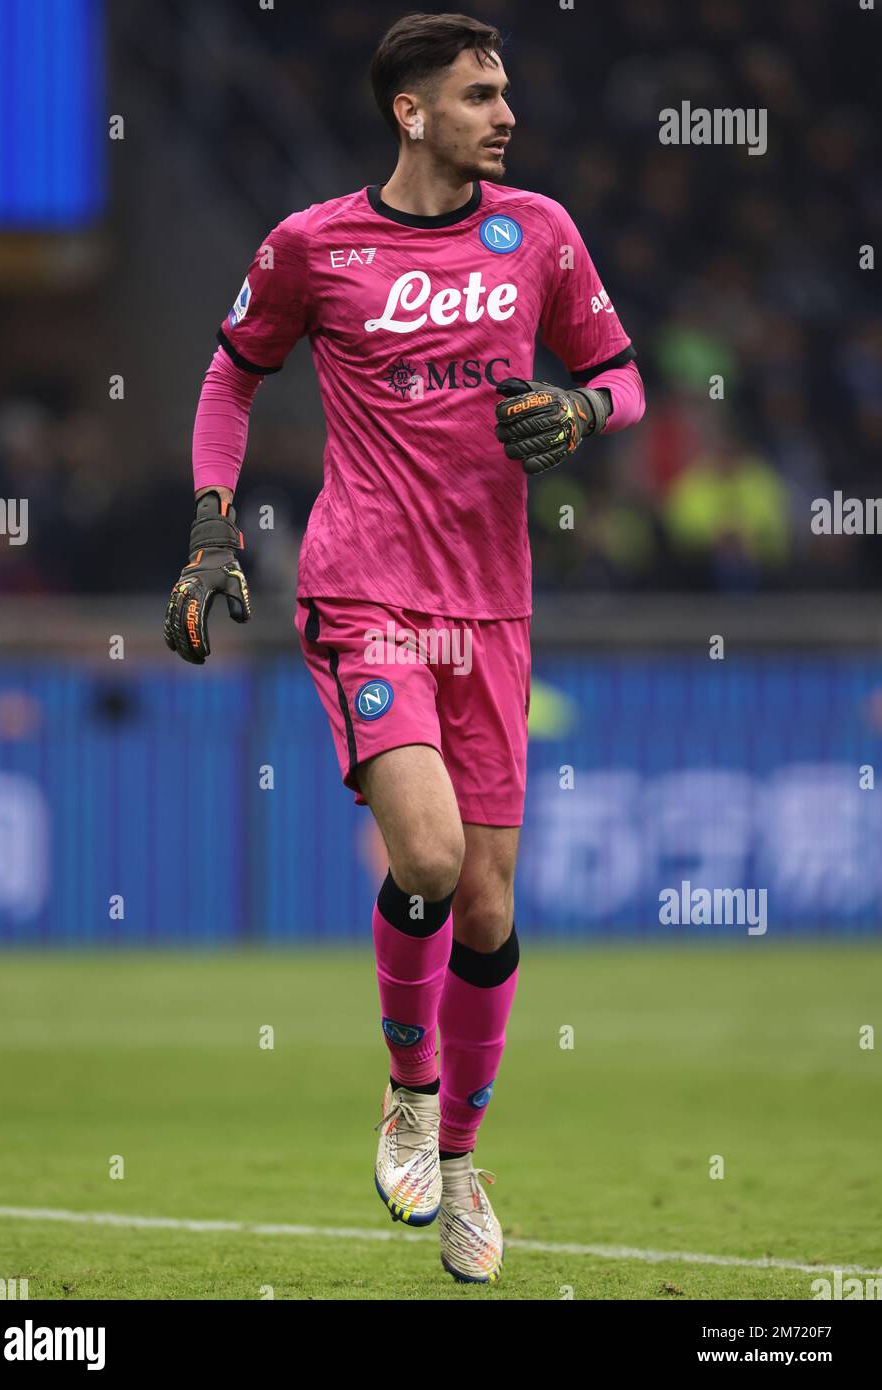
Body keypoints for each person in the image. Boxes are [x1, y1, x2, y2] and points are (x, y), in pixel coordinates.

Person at [164, 11, 645, 1285]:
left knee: (485, 904)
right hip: (364, 588)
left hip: (493, 604)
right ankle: (406, 1094)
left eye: (506, 93)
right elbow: (230, 376)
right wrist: (213, 528)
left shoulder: (537, 232)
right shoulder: (312, 246)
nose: (505, 113)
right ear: (411, 110)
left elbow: (624, 374)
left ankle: (467, 1159)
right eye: (481, 94)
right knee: (424, 853)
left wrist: (582, 408)